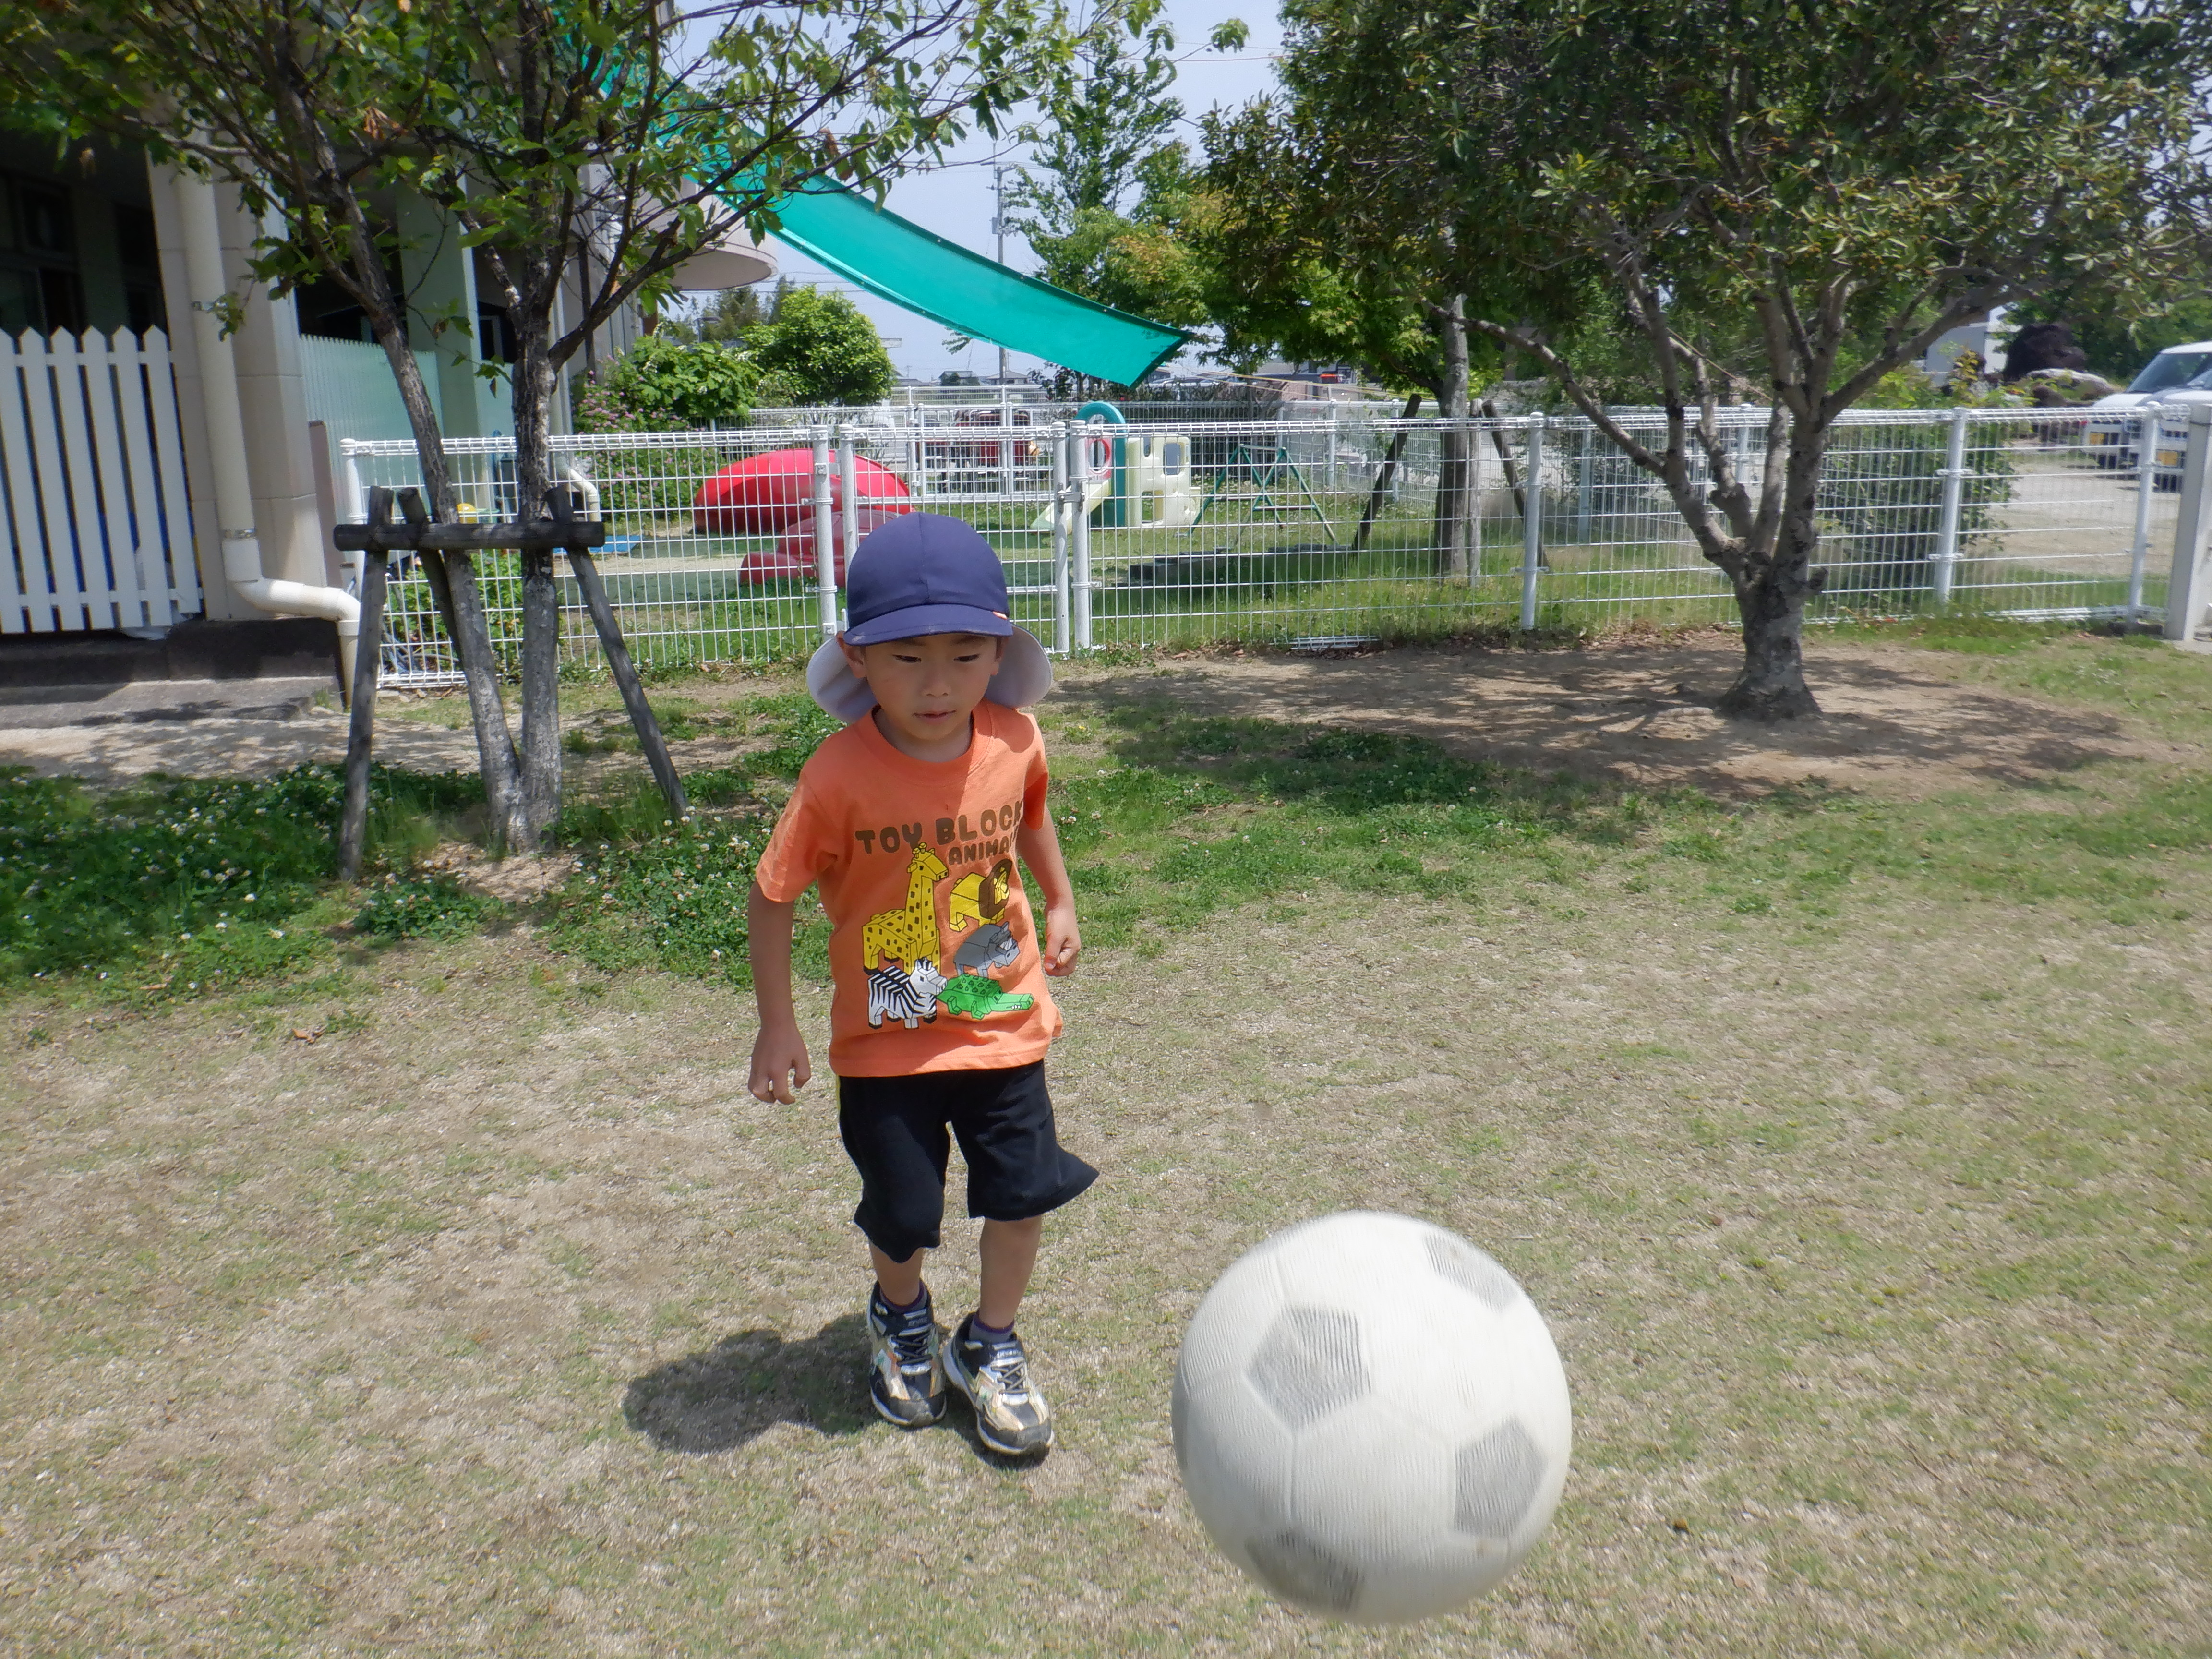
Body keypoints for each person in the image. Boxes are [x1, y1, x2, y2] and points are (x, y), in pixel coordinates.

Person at [746, 513, 1093, 1456]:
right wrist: (777, 1025)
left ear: (1000, 653)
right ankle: (901, 1316)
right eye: (906, 659)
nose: (937, 684)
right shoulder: (836, 777)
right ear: (858, 658)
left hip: (1001, 1019)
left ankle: (990, 1340)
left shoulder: (1017, 739)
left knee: (1021, 1191)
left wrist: (1060, 899)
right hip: (887, 1038)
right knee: (904, 1211)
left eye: (965, 656)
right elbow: (773, 893)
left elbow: (1030, 816)